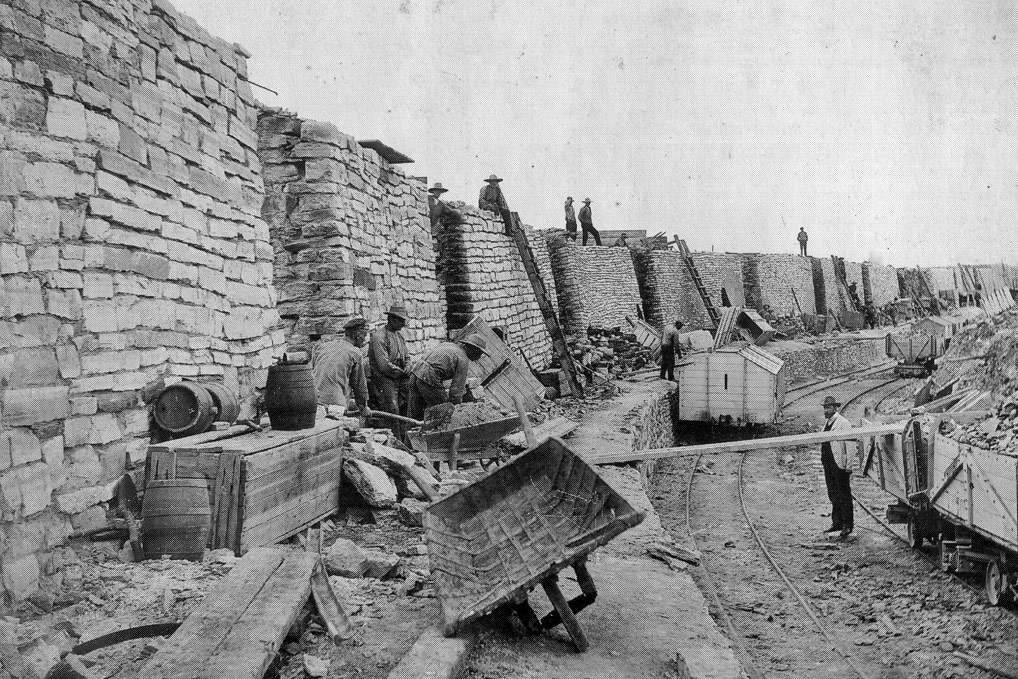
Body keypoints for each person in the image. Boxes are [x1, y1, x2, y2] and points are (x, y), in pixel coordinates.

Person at [408, 334, 488, 420]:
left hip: (415, 373)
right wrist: (458, 410)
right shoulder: (463, 358)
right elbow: (455, 392)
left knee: (415, 412)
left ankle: (412, 427)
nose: (478, 357)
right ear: (472, 349)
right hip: (428, 377)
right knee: (443, 411)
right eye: (479, 353)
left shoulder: (448, 345)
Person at [311, 318, 371, 418]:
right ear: (358, 335)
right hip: (335, 406)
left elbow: (314, 372)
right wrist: (363, 407)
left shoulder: (322, 347)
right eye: (364, 336)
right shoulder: (355, 353)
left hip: (314, 402)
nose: (364, 340)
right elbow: (359, 387)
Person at [369, 304, 410, 436]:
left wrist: (408, 367)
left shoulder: (399, 336)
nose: (403, 324)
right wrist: (401, 372)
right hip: (384, 378)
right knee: (392, 409)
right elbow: (384, 366)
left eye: (403, 320)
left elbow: (407, 357)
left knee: (407, 406)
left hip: (399, 377)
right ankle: (395, 440)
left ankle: (406, 438)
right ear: (391, 319)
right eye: (400, 320)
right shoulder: (379, 337)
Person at [819, 395, 854, 541]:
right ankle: (837, 523)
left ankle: (847, 524)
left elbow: (850, 445)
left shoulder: (843, 423)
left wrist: (849, 465)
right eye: (824, 408)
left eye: (828, 408)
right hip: (828, 463)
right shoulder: (827, 423)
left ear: (835, 408)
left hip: (839, 464)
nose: (825, 411)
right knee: (833, 493)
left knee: (844, 494)